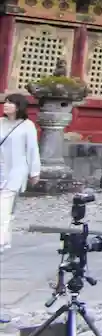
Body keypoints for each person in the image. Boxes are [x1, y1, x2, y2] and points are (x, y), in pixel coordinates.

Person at [0, 93, 40, 252]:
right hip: (1, 168)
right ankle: (6, 239)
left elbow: (32, 149)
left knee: (3, 205)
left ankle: (1, 241)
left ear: (18, 107)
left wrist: (34, 171)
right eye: (5, 102)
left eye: (10, 103)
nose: (6, 105)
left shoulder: (27, 126)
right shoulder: (0, 122)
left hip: (16, 170)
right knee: (7, 208)